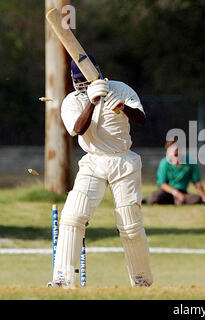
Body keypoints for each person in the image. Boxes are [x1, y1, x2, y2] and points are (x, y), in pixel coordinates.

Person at [50, 55, 153, 288]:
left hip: (123, 160)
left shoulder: (120, 88)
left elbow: (142, 120)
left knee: (129, 223)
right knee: (72, 216)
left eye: (86, 79)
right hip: (93, 161)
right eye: (79, 81)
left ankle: (141, 280)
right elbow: (77, 129)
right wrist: (92, 101)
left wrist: (122, 106)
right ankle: (63, 278)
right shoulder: (71, 101)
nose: (83, 85)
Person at [144, 138, 205, 205]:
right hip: (167, 192)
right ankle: (174, 201)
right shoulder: (164, 163)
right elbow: (161, 184)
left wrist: (204, 196)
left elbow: (197, 182)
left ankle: (178, 201)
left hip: (182, 192)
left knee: (197, 199)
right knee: (154, 197)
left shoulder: (190, 162)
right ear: (168, 152)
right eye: (172, 150)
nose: (176, 152)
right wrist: (176, 193)